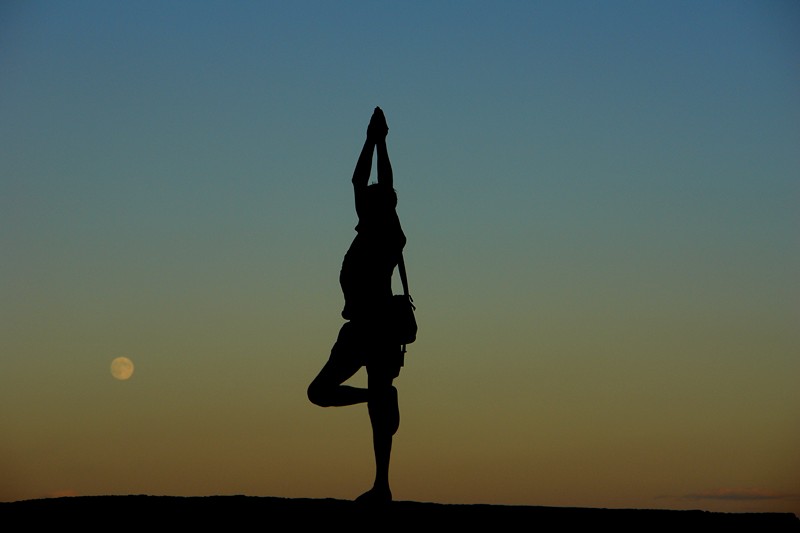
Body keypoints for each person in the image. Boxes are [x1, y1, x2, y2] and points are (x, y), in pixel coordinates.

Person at [307, 107, 406, 503]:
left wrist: (376, 142)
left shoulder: (385, 236)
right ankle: (378, 399)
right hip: (362, 329)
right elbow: (365, 182)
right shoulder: (375, 233)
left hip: (374, 329)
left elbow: (371, 182)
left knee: (335, 396)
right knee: (324, 392)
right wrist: (376, 141)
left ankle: (382, 485)